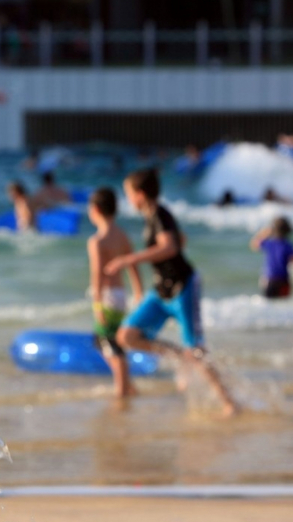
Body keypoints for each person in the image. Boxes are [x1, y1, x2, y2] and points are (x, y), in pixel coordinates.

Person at [105, 169, 238, 416]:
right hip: (161, 289)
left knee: (197, 351)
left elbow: (169, 246)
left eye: (129, 195)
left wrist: (128, 260)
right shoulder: (154, 216)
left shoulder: (159, 214)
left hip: (182, 287)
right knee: (126, 336)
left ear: (141, 194)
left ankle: (229, 402)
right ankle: (179, 357)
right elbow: (178, 240)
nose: (128, 200)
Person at [87, 187, 144, 398]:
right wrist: (138, 291)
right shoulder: (122, 235)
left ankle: (123, 389)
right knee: (107, 341)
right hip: (121, 295)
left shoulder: (97, 241)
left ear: (95, 210)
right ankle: (127, 385)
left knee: (107, 343)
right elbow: (132, 265)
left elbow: (97, 273)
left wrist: (97, 303)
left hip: (107, 297)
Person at [250, 217, 293, 299]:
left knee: (268, 304)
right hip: (283, 279)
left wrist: (264, 233)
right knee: (284, 304)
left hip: (269, 279)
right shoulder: (288, 245)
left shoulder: (269, 244)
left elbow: (254, 244)